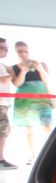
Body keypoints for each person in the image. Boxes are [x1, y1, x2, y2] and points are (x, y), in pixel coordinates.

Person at [12, 41, 53, 164]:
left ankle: (53, 151)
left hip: (41, 99)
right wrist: (24, 70)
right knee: (28, 128)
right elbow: (17, 83)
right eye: (20, 51)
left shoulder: (42, 64)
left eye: (26, 51)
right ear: (16, 52)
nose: (23, 54)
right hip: (24, 101)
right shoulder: (14, 67)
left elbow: (46, 80)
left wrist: (39, 68)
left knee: (46, 125)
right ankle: (32, 155)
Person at [0, 38, 17, 169]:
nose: (6, 50)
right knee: (3, 131)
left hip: (3, 103)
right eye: (2, 48)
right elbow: (3, 81)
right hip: (1, 104)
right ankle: (0, 160)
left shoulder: (2, 65)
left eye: (7, 48)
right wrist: (14, 71)